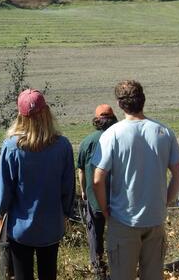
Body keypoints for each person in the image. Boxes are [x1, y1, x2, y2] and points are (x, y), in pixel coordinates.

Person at [92, 80, 179, 280]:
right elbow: (177, 173)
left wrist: (105, 210)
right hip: (155, 217)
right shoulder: (164, 131)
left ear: (119, 104)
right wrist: (166, 201)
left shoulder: (112, 134)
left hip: (123, 219)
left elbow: (98, 179)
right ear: (143, 100)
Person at [0, 89, 75, 280]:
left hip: (20, 227)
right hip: (51, 225)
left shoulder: (12, 147)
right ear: (46, 112)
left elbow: (4, 188)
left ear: (20, 116)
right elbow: (68, 187)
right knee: (49, 274)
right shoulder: (62, 146)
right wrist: (66, 212)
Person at [77, 104, 118, 279]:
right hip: (117, 198)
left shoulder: (87, 141)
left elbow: (80, 170)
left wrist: (84, 191)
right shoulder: (118, 137)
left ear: (96, 120)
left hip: (94, 197)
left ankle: (99, 270)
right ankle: (119, 268)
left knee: (95, 234)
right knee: (117, 236)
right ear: (113, 119)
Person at [0, 155, 14, 280]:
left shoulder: (0, 160)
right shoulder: (32, 156)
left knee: (6, 268)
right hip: (25, 223)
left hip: (4, 222)